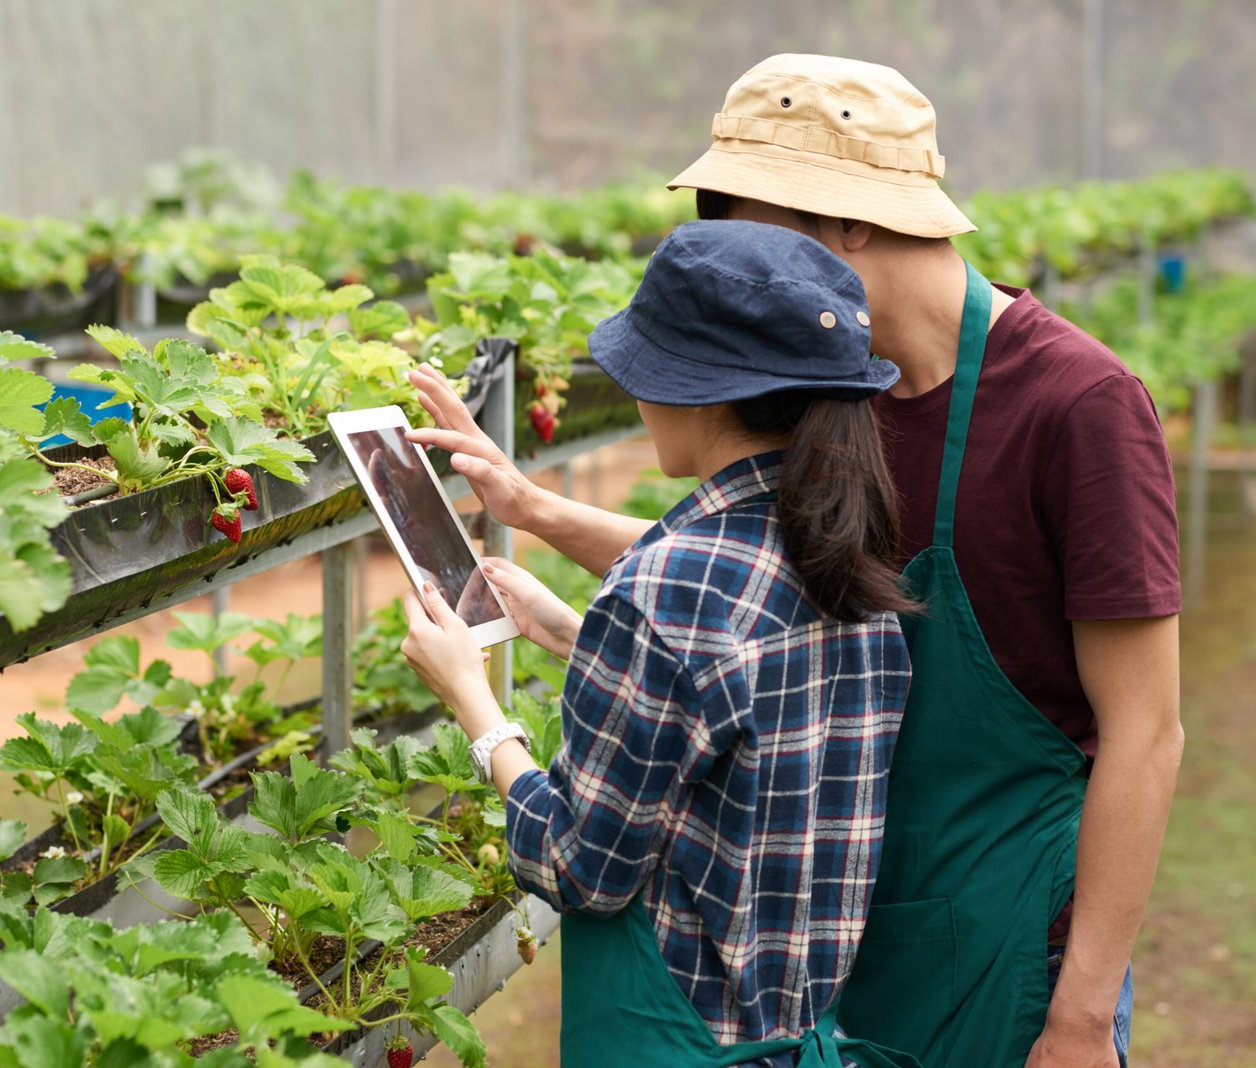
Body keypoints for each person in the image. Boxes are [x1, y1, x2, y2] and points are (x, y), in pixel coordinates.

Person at [409, 54, 1183, 1068]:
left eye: (740, 225)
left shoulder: (1074, 404)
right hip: (827, 938)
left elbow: (1147, 730)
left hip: (1006, 947)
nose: (731, 262)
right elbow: (761, 594)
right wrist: (533, 510)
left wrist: (1080, 1015)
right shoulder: (829, 390)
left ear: (849, 220)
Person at [400, 219, 922, 1067]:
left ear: (702, 391)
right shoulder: (848, 561)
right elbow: (733, 723)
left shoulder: (665, 590)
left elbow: (578, 867)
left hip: (676, 1042)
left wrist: (475, 704)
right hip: (803, 1037)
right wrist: (573, 629)